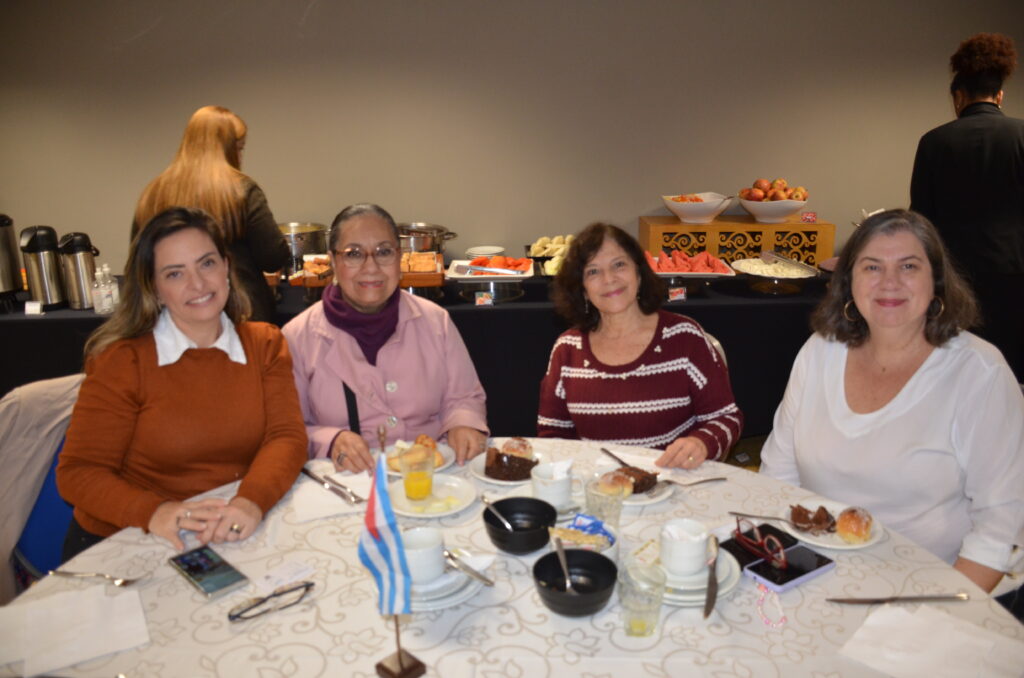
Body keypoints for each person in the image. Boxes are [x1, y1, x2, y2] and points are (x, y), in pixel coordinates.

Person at [760, 209, 1024, 597]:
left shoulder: (979, 372)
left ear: (936, 280)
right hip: (819, 573)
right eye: (871, 267)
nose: (889, 283)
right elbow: (777, 476)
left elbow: (1001, 526)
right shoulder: (820, 351)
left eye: (909, 266)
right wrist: (782, 571)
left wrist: (936, 615)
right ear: (848, 281)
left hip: (940, 587)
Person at [57, 207, 307, 561]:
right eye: (175, 274)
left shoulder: (264, 343)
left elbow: (286, 437)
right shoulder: (122, 361)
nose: (198, 284)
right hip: (130, 536)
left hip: (228, 527)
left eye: (206, 264)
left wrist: (251, 501)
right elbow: (77, 473)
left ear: (227, 267)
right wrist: (155, 511)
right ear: (155, 289)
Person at [282, 203, 488, 473]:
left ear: (399, 258)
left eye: (384, 252)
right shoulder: (297, 337)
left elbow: (464, 397)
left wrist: (464, 423)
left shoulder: (436, 322)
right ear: (333, 262)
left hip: (431, 475)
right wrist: (331, 440)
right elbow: (286, 429)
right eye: (354, 254)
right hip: (350, 482)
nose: (371, 267)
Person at [536, 223, 743, 469]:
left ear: (639, 271)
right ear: (581, 288)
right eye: (593, 272)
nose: (609, 279)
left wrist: (701, 443)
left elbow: (727, 417)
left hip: (672, 485)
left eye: (619, 264)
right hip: (597, 491)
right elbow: (552, 435)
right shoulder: (567, 348)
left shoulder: (684, 337)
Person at [910, 33, 1024, 381]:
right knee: (1011, 374)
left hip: (955, 282)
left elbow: (922, 222)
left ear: (958, 98)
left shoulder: (933, 142)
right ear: (1000, 94)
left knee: (958, 374)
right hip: (1015, 277)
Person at [132, 105, 289, 322]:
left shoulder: (153, 193)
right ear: (229, 149)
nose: (241, 157)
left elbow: (139, 265)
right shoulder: (241, 190)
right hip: (242, 315)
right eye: (240, 149)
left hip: (175, 318)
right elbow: (272, 257)